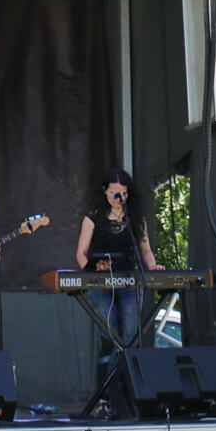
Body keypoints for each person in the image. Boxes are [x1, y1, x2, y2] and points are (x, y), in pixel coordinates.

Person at [73, 168, 164, 416]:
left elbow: (145, 249)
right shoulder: (92, 218)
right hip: (102, 288)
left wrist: (152, 265)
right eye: (114, 192)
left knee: (129, 339)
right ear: (105, 192)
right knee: (111, 339)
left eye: (122, 193)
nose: (118, 196)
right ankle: (104, 398)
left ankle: (124, 396)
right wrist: (90, 270)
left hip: (130, 285)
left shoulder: (136, 218)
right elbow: (81, 252)